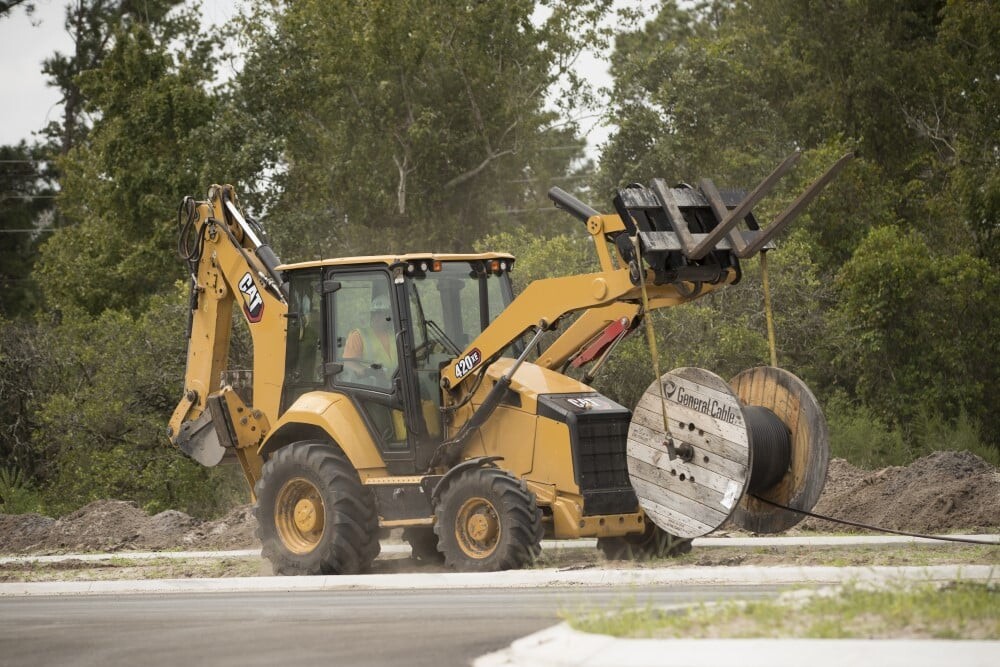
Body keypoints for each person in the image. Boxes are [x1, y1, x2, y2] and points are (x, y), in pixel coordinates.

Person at [343, 294, 397, 386]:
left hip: (394, 386)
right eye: (374, 313)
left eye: (380, 313)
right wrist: (368, 372)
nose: (376, 317)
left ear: (389, 316)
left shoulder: (395, 335)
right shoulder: (358, 335)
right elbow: (349, 364)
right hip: (371, 389)